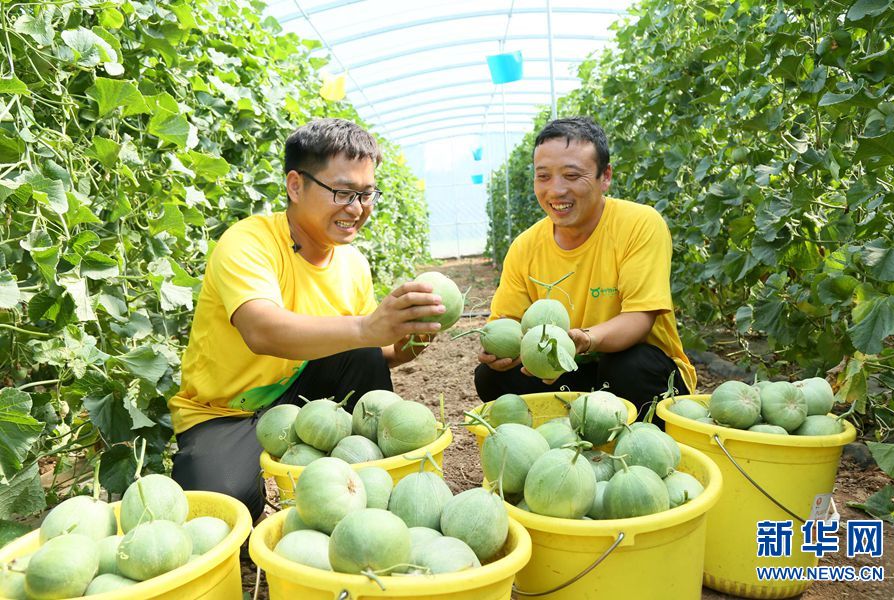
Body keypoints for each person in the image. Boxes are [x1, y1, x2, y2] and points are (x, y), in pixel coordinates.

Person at [167, 118, 445, 519]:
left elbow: (368, 353)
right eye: (343, 192)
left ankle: (365, 474)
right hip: (225, 413)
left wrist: (405, 343)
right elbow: (260, 329)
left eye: (367, 194)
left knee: (363, 352)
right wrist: (367, 328)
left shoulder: (353, 263)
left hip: (304, 395)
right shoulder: (249, 241)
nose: (357, 209)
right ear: (295, 185)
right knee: (226, 510)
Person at [474, 116, 696, 418]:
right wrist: (501, 352)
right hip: (568, 371)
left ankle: (644, 446)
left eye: (571, 175)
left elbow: (640, 317)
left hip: (639, 372)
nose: (556, 190)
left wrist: (586, 339)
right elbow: (510, 323)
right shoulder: (525, 246)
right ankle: (560, 447)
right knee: (492, 378)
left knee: (628, 363)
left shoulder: (639, 223)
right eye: (543, 176)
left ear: (605, 177)